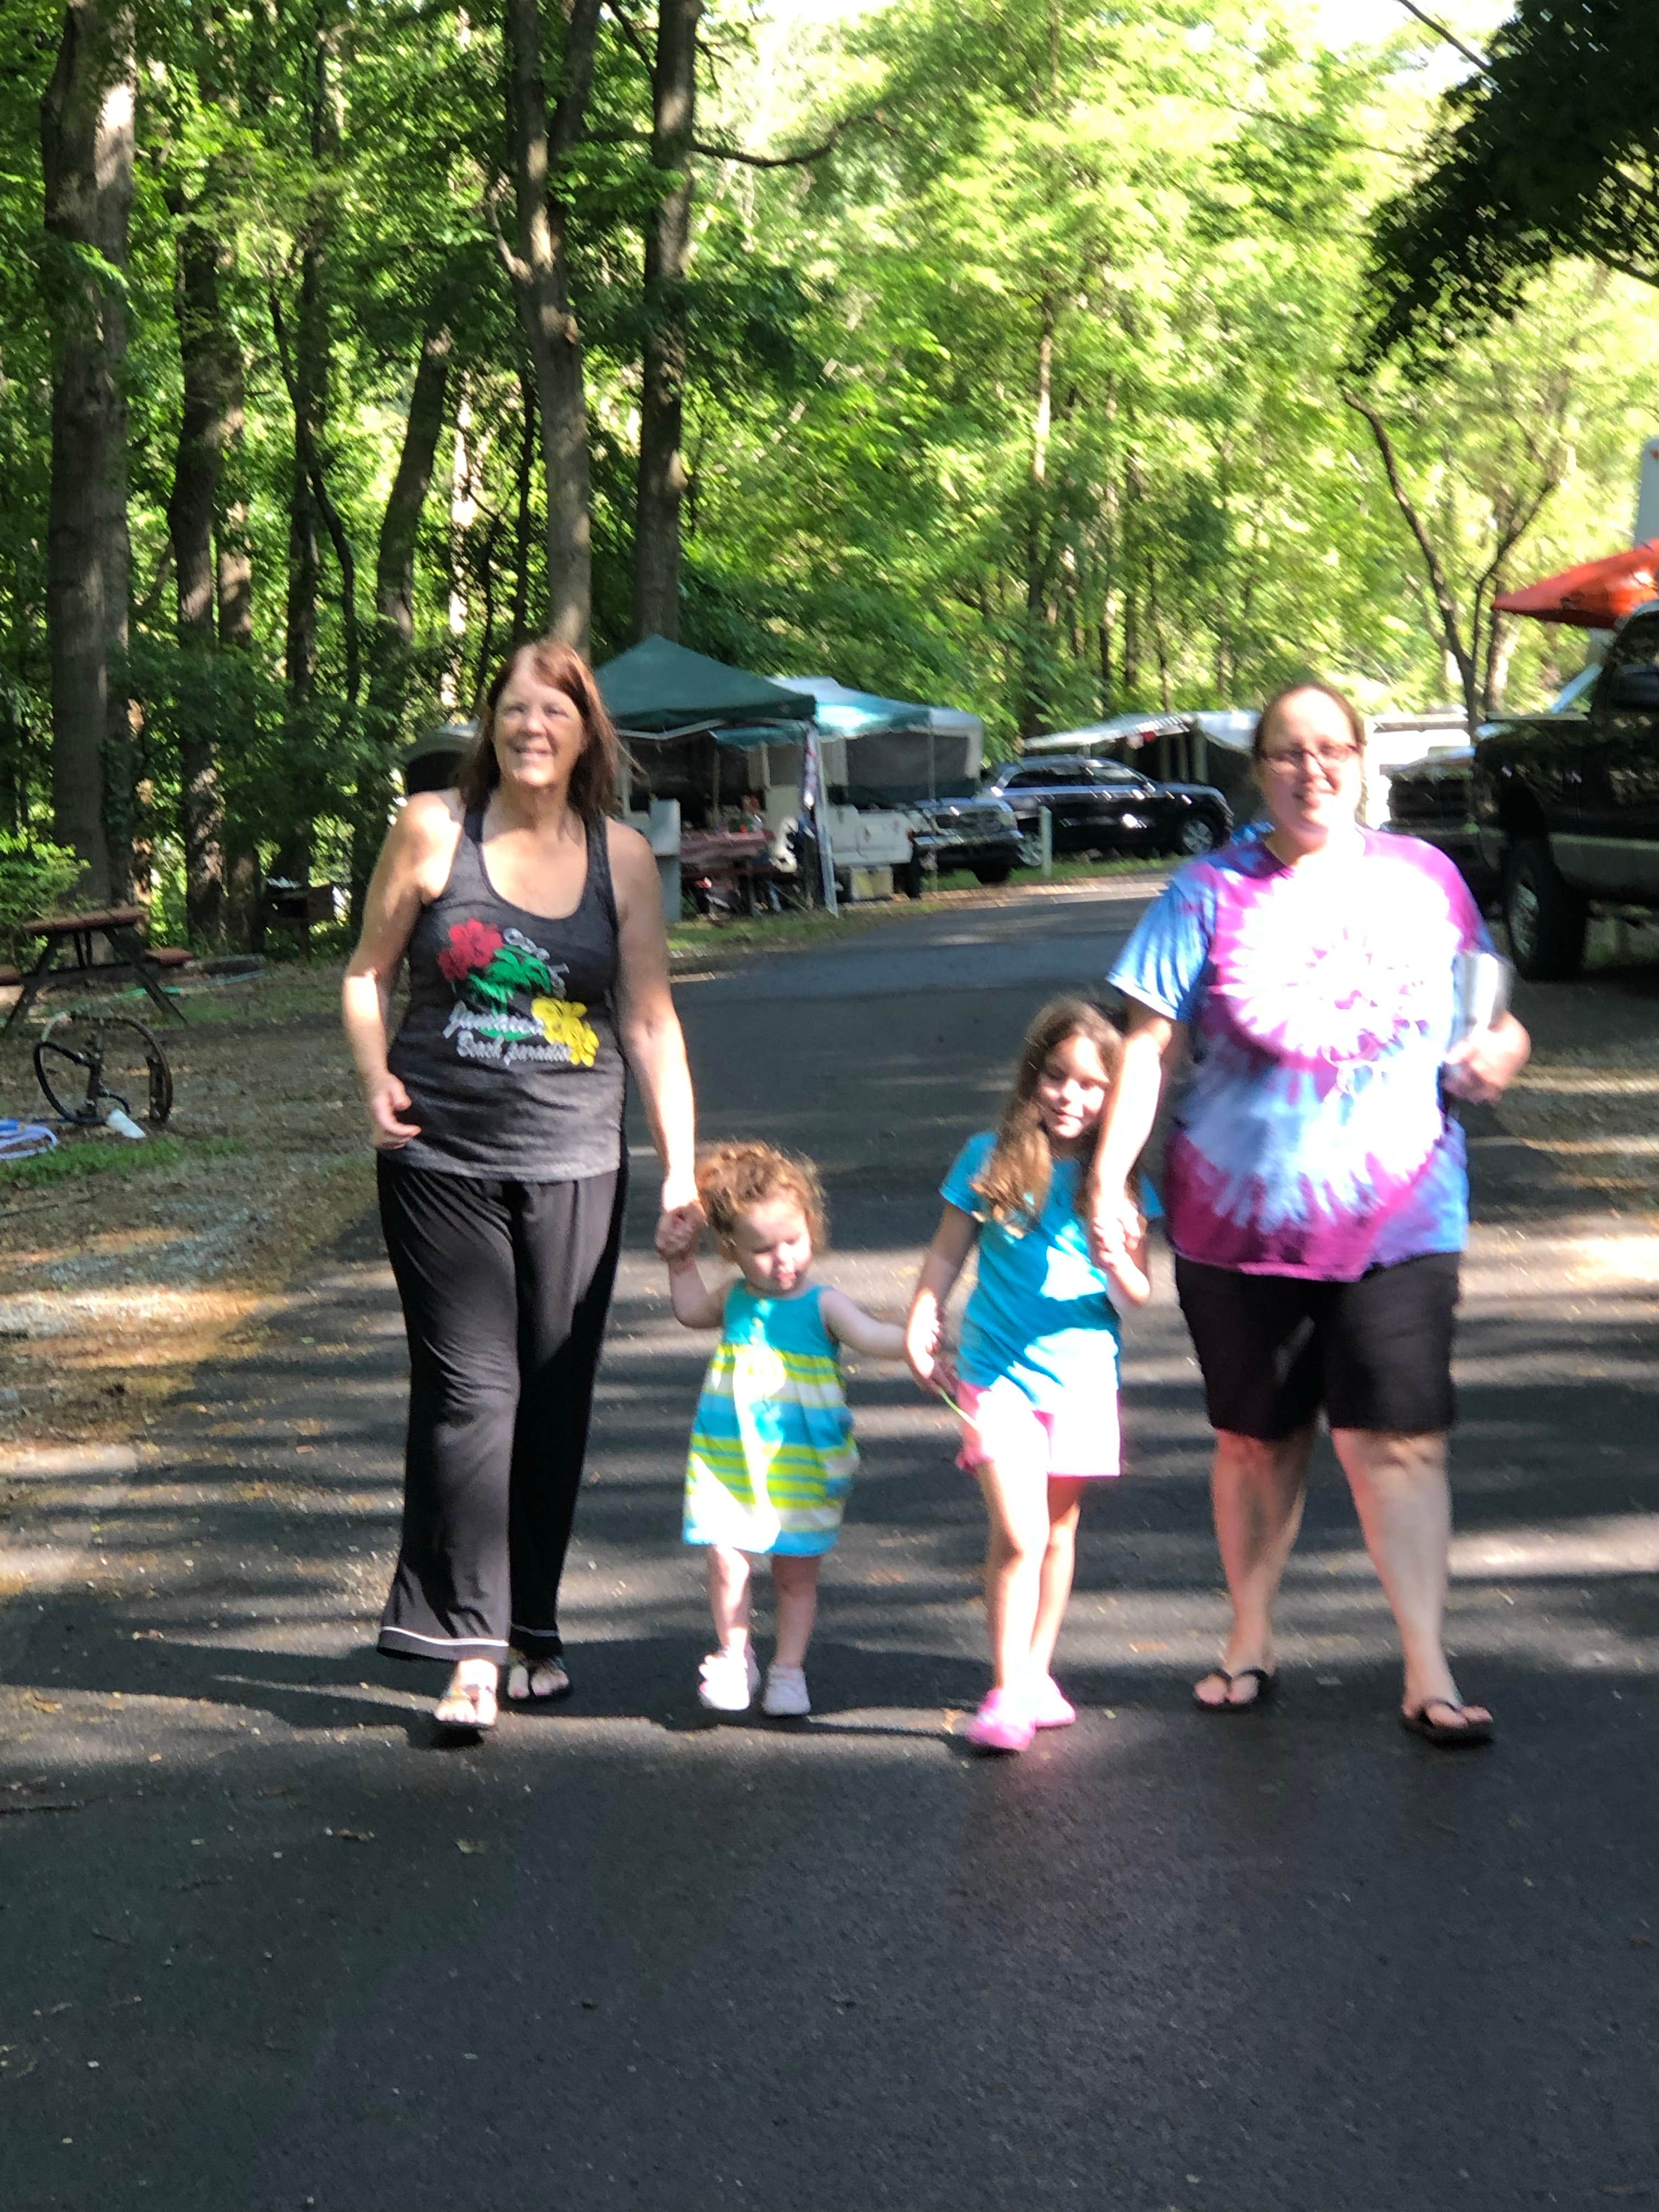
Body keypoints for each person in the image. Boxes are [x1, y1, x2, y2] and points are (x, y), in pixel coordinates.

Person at [1087, 679, 1530, 1745]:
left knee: (1402, 1442)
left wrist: (1501, 1052)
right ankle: (1250, 1635)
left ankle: (1427, 1665)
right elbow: (1145, 1049)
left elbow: (1495, 1015)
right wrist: (1109, 1180)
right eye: (1288, 751)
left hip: (1403, 1211)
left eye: (1332, 748)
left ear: (1362, 759)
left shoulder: (1425, 879)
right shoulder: (1205, 891)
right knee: (1256, 1441)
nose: (1312, 768)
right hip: (1238, 1222)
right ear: (1259, 769)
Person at [342, 636, 699, 1734]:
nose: (531, 726)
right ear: (489, 727)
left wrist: (683, 1164)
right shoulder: (432, 830)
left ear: (587, 732)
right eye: (513, 709)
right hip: (442, 1154)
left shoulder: (621, 858)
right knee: (471, 1394)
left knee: (552, 1401)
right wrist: (374, 1084)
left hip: (579, 1160)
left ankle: (532, 1623)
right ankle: (471, 1649)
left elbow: (646, 1018)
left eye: (555, 711)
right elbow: (366, 973)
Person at [906, 998, 1154, 1754]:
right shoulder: (991, 1157)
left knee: (1058, 1533)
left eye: (1090, 1086)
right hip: (996, 1377)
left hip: (1082, 1383)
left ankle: (1038, 1673)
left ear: (1115, 1098)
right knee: (1021, 1532)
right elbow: (949, 1252)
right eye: (1057, 1076)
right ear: (1032, 1077)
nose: (1070, 1098)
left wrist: (1120, 1264)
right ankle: (1007, 1689)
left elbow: (1137, 1294)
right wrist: (923, 1313)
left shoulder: (1117, 1185)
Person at [669, 1141, 906, 1718]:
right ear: (732, 1250)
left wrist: (916, 1342)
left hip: (798, 1463)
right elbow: (690, 1310)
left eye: (793, 1242)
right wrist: (680, 1263)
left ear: (812, 1229)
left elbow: (874, 1337)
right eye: (763, 1250)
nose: (783, 1261)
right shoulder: (735, 1300)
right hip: (730, 1459)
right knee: (727, 1557)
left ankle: (788, 1669)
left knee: (796, 1573)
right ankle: (734, 1654)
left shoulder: (822, 1304)